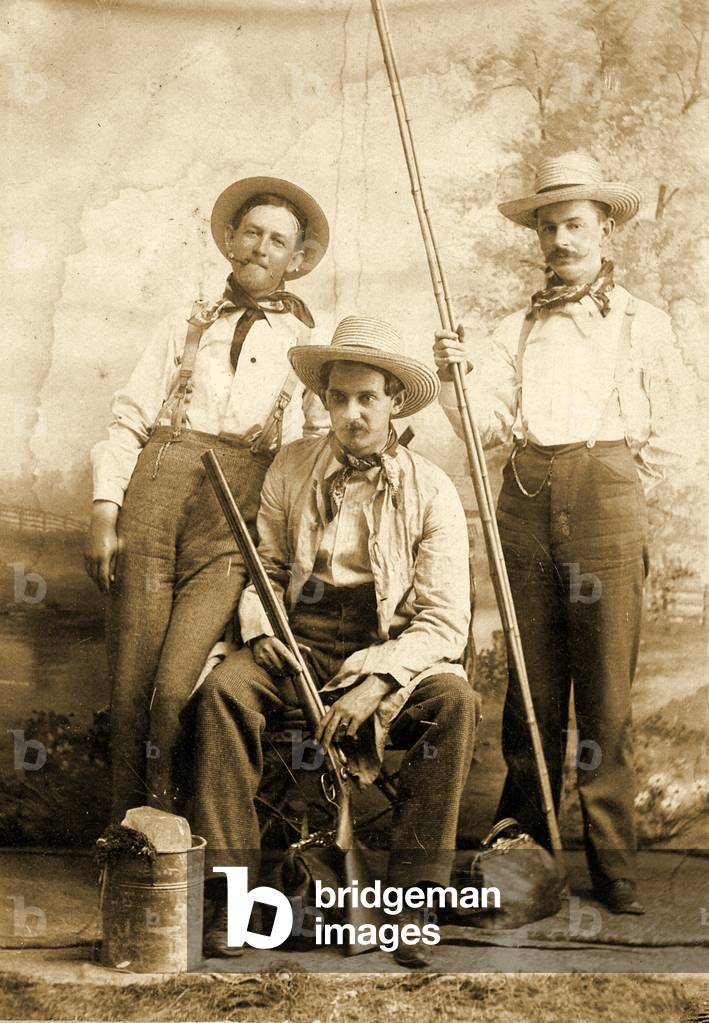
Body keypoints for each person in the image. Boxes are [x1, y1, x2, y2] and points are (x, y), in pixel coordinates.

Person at [433, 151, 688, 915]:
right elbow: (484, 431)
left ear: (605, 230)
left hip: (606, 493)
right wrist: (453, 376)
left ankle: (615, 867)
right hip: (523, 495)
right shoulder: (512, 329)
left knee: (605, 695)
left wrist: (618, 481)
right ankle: (525, 857)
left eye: (574, 224)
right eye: (547, 229)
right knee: (530, 694)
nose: (560, 242)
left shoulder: (647, 323)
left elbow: (680, 431)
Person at [192, 315, 477, 967]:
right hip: (297, 642)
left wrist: (377, 682)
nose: (350, 412)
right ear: (324, 399)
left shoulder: (432, 489)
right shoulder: (290, 468)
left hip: (391, 651)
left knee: (454, 700)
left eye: (367, 397)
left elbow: (443, 622)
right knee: (221, 694)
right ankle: (230, 898)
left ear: (395, 400)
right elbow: (265, 566)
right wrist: (263, 628)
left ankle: (411, 903)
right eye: (338, 397)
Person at [84, 177, 330, 821]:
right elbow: (129, 418)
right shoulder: (185, 322)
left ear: (296, 260)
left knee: (173, 690)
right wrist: (104, 510)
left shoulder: (308, 345)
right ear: (229, 240)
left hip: (234, 521)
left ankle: (163, 835)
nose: (260, 248)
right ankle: (123, 843)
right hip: (156, 493)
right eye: (251, 232)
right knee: (131, 686)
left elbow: (312, 449)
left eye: (278, 240)